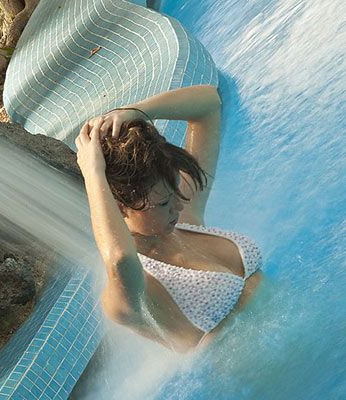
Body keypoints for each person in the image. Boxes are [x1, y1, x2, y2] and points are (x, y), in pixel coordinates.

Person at [74, 85, 263, 352]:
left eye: (174, 190)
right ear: (120, 208)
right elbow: (119, 258)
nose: (180, 203)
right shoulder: (133, 292)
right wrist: (93, 171)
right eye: (163, 202)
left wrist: (135, 112)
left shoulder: (184, 220)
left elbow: (209, 103)